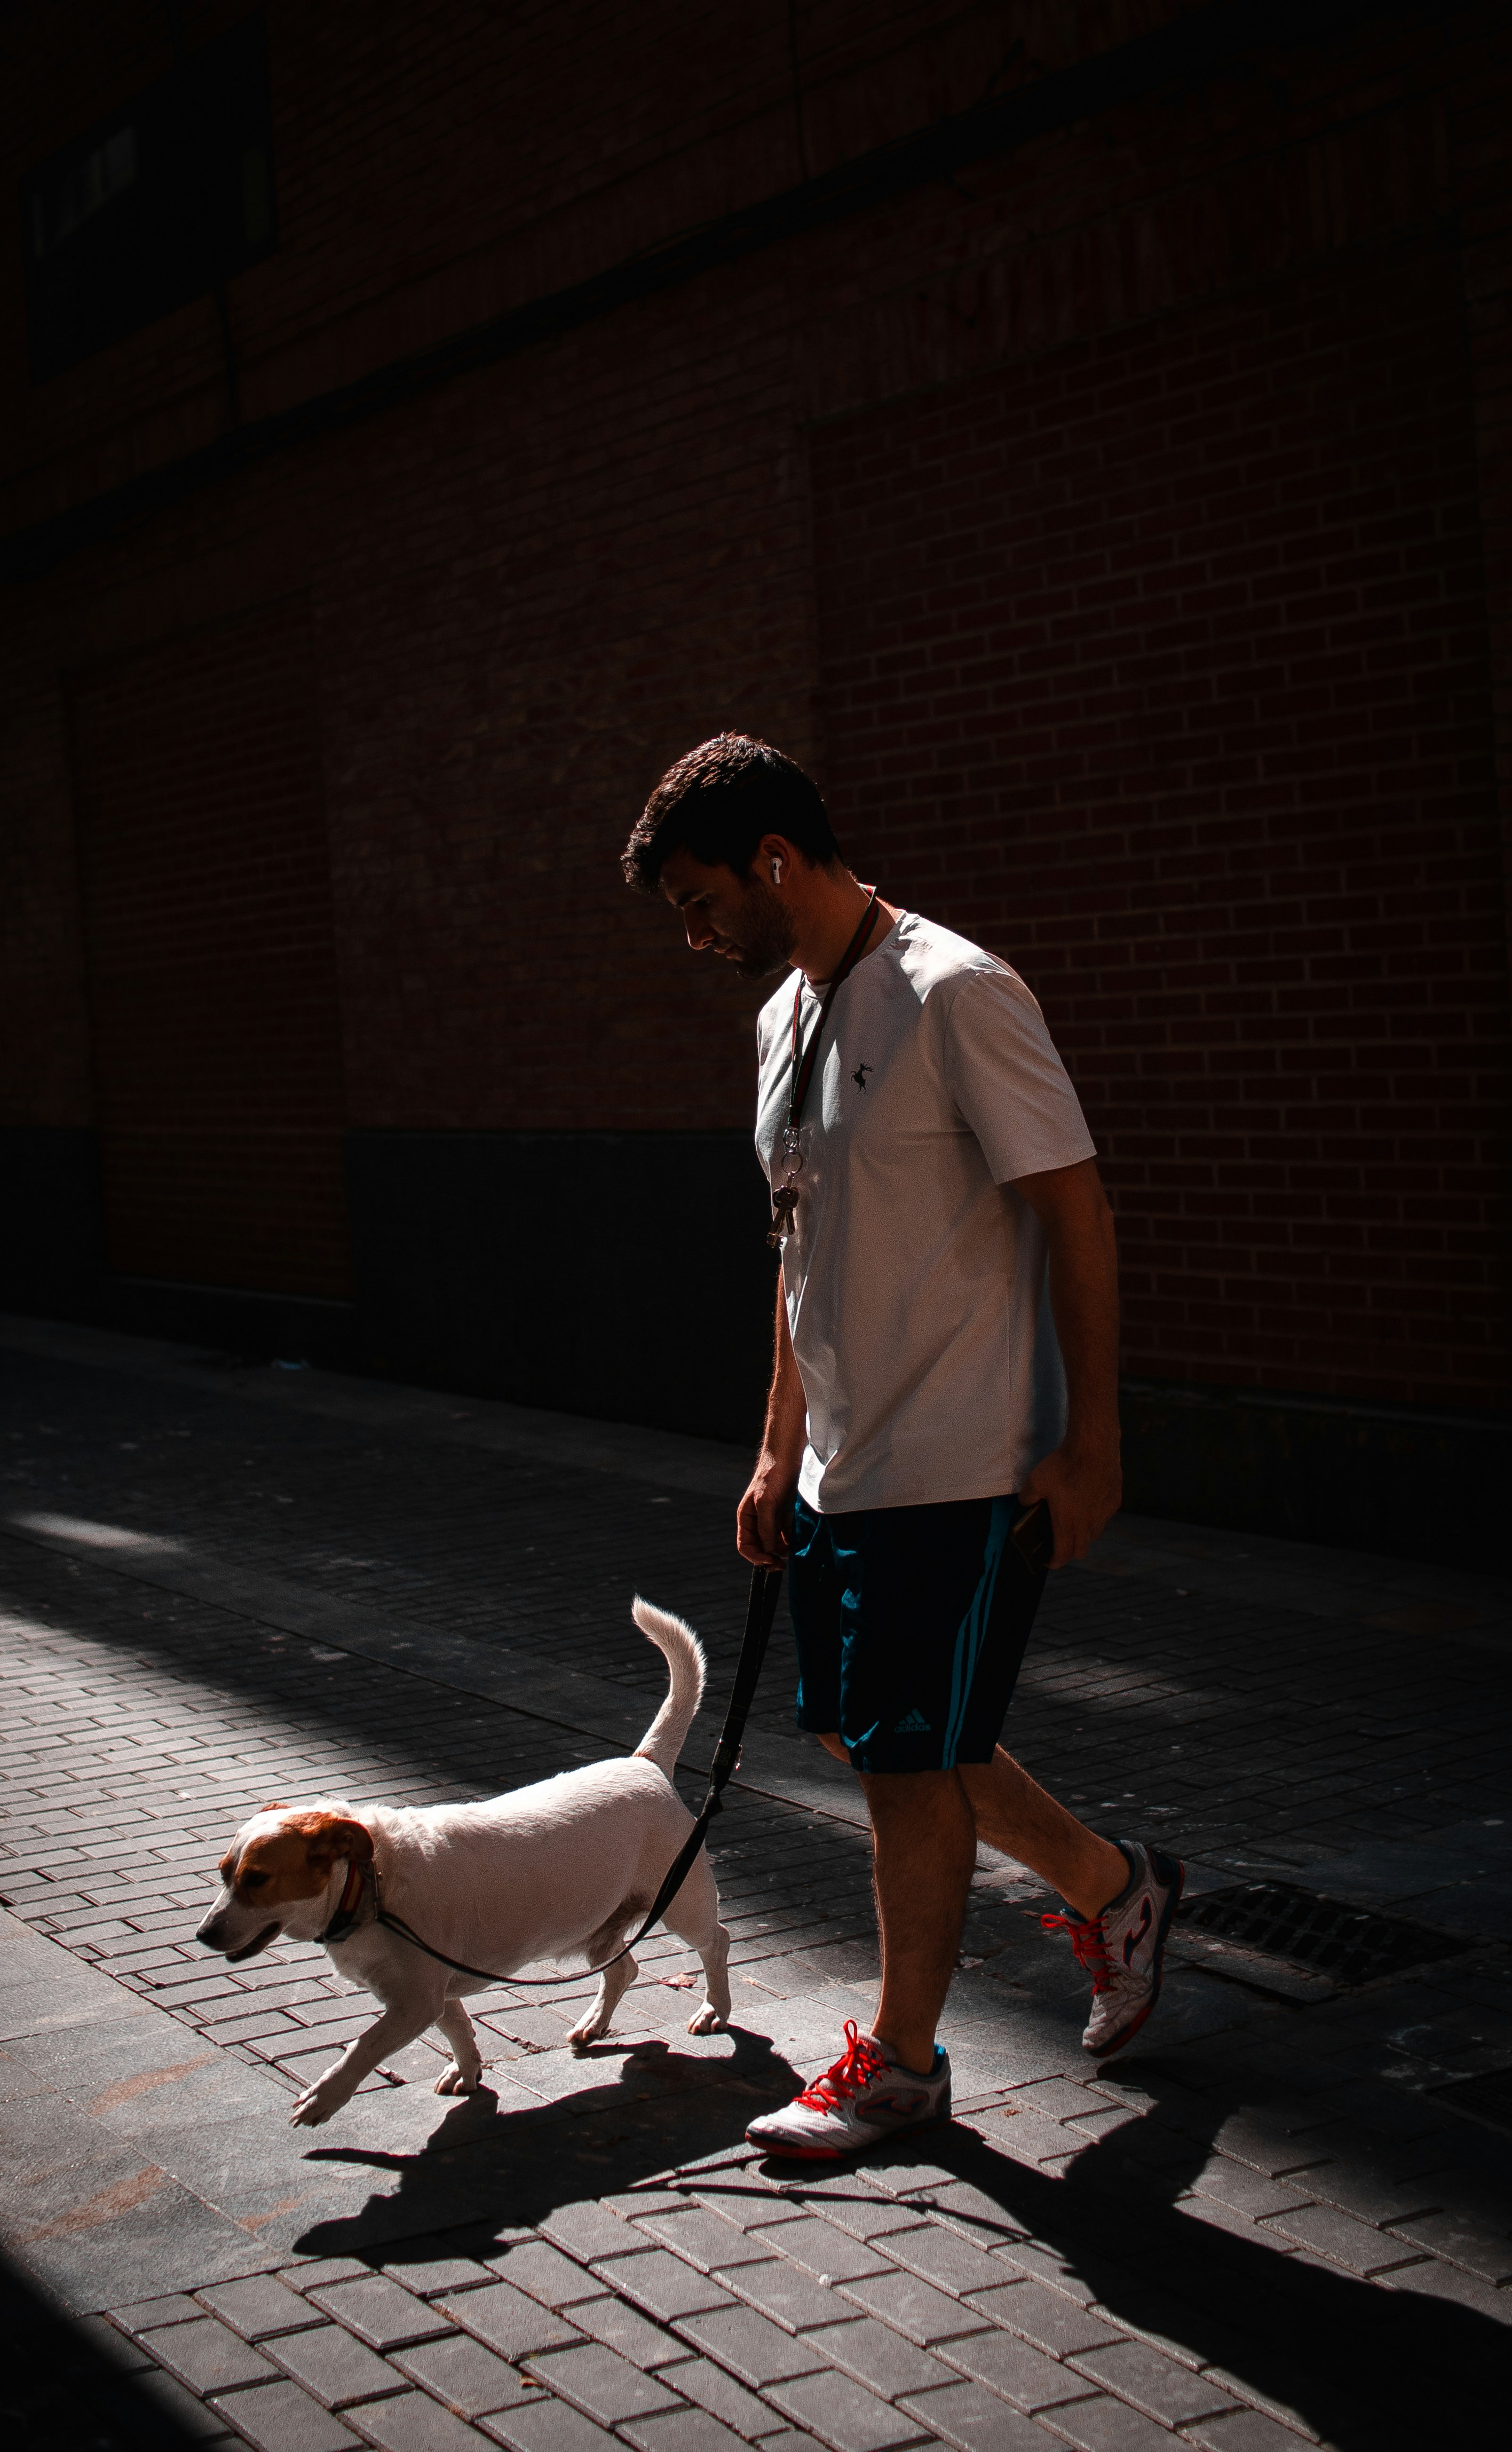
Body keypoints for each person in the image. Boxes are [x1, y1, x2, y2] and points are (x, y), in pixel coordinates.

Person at [622, 732, 1184, 2159]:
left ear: (773, 856)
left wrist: (1091, 1435)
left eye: (698, 903)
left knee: (901, 1762)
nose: (694, 937)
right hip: (838, 1468)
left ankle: (902, 2066)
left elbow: (1076, 1214)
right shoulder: (782, 1020)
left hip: (964, 1457)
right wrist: (773, 1446)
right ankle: (1118, 1887)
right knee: (869, 1727)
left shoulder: (957, 993)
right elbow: (794, 1247)